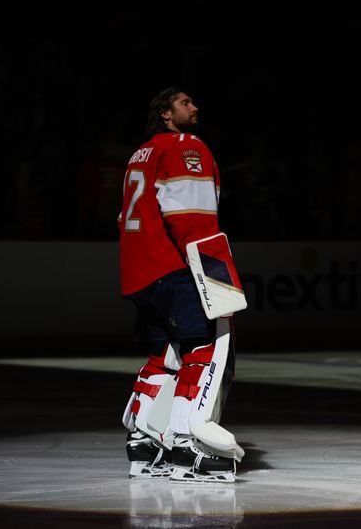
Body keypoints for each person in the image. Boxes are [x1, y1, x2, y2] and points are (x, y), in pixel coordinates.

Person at [118, 87, 245, 483]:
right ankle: (190, 446)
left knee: (163, 355)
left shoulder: (141, 152)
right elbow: (193, 219)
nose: (195, 107)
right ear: (167, 114)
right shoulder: (186, 146)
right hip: (176, 270)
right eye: (185, 102)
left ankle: (143, 440)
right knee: (204, 348)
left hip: (140, 273)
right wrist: (219, 280)